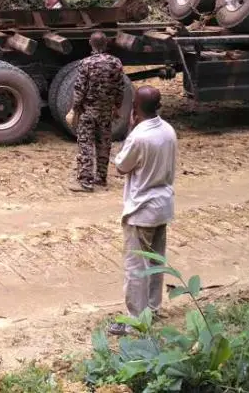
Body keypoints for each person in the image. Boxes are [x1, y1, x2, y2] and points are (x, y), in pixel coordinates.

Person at [109, 85, 177, 335]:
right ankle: (153, 308)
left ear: (135, 109)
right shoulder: (169, 130)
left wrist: (129, 128)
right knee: (156, 261)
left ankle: (136, 322)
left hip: (141, 210)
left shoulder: (139, 136)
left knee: (136, 267)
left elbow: (121, 166)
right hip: (163, 205)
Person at [69, 30, 125, 192]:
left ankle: (86, 181)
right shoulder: (116, 63)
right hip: (106, 110)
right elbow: (120, 88)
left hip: (88, 111)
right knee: (104, 143)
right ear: (106, 43)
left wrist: (75, 108)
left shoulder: (86, 63)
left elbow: (80, 89)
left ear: (90, 43)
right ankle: (101, 177)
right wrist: (117, 107)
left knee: (86, 144)